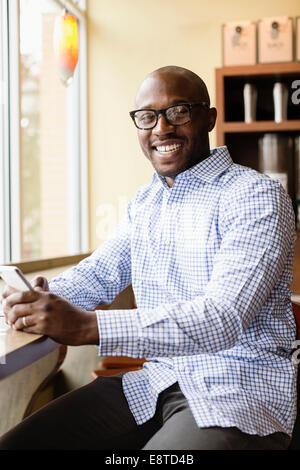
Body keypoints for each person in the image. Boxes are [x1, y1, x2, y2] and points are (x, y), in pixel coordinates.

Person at [0, 66, 297, 450]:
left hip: (237, 391)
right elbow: (96, 275)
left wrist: (90, 327)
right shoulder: (146, 203)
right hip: (154, 383)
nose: (161, 128)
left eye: (178, 112)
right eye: (147, 116)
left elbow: (222, 318)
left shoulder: (255, 196)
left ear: (209, 118)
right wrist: (35, 298)